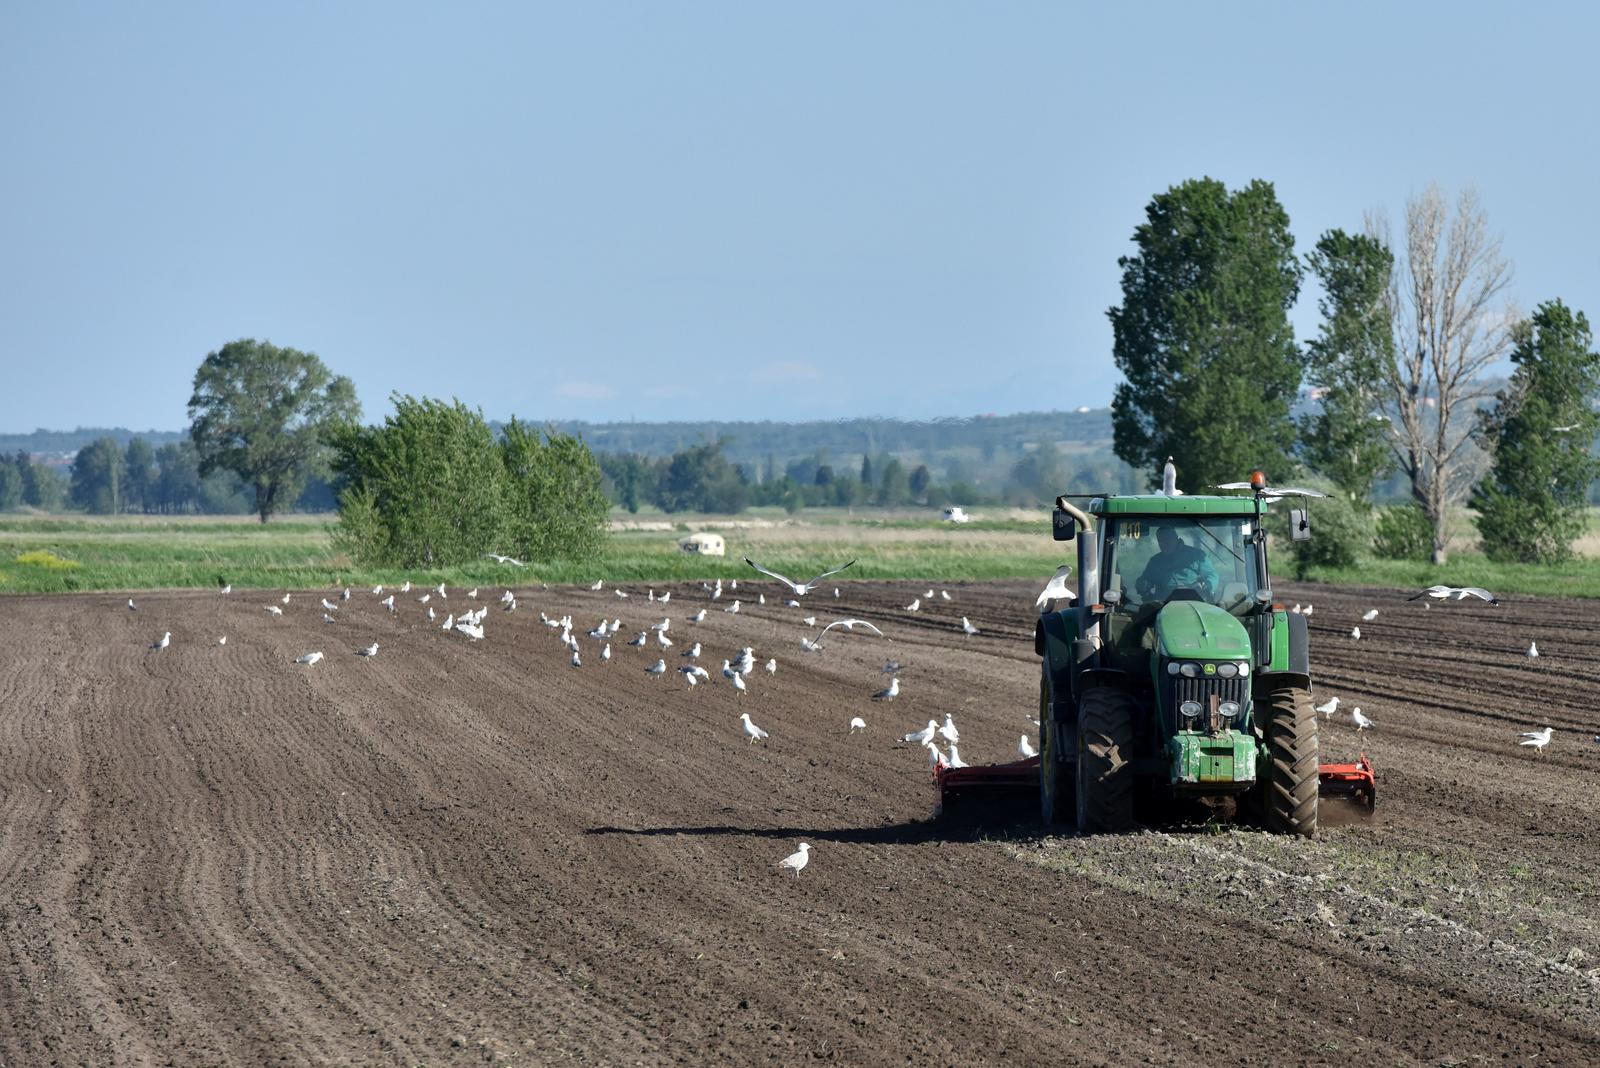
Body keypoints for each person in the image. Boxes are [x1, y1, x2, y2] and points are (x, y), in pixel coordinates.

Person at [1136, 524, 1218, 602]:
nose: (1164, 543)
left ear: (1176, 538)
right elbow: (1144, 579)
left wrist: (1206, 585)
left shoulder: (1197, 555)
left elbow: (1212, 575)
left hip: (1194, 602)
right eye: (1160, 541)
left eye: (1167, 539)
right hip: (1162, 604)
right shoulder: (1155, 561)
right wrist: (1142, 584)